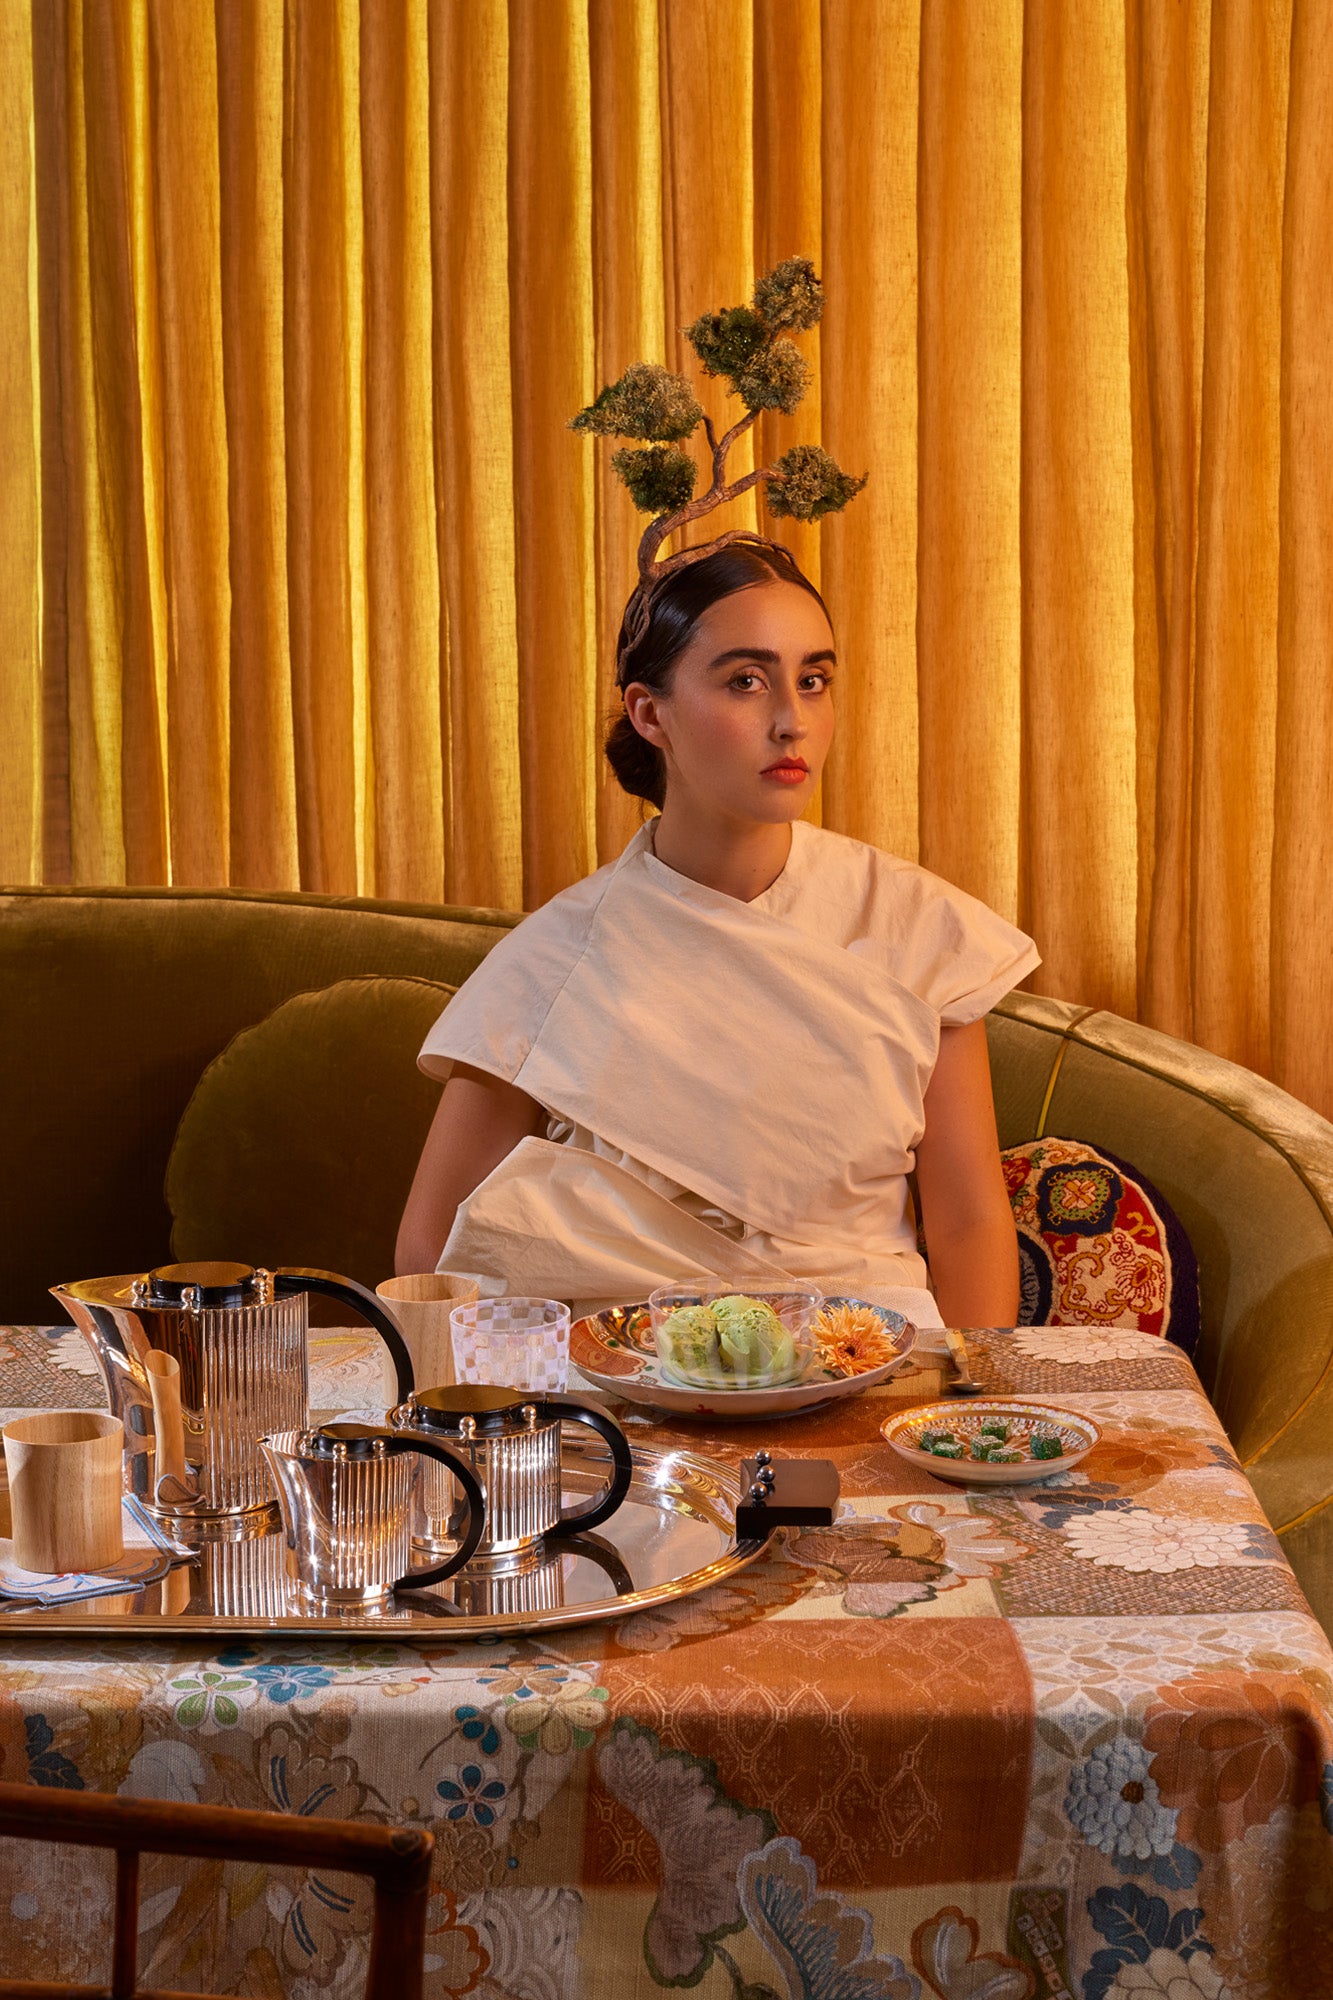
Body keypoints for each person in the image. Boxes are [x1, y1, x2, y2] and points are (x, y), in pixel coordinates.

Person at [397, 259, 1039, 1329]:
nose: (792, 718)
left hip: (866, 1369)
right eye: (745, 680)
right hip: (629, 1391)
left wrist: (958, 1418)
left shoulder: (919, 929)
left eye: (814, 679)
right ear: (650, 713)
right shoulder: (562, 959)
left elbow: (970, 1221)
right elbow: (430, 1245)